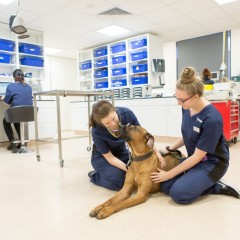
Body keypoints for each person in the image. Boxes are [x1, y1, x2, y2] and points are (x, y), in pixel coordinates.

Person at [150, 66, 240, 204]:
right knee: (166, 186)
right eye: (176, 97)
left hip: (212, 163)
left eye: (181, 100)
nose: (178, 103)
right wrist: (170, 148)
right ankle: (200, 182)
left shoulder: (212, 118)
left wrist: (168, 174)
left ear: (196, 96)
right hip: (195, 159)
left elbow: (199, 156)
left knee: (178, 194)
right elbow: (188, 134)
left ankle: (217, 185)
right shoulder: (187, 107)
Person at [88, 100, 163, 191]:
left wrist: (158, 153)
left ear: (115, 111)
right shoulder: (97, 131)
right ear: (100, 122)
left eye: (113, 119)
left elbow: (143, 136)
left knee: (134, 174)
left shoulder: (127, 114)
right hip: (102, 157)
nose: (113, 124)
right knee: (120, 181)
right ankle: (95, 175)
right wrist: (129, 169)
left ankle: (109, 172)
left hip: (121, 152)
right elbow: (110, 158)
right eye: (107, 123)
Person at [3, 69, 33, 150]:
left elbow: (6, 103)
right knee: (17, 119)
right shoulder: (29, 87)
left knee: (6, 121)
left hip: (17, 113)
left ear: (14, 77)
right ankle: (22, 142)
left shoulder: (10, 86)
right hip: (29, 114)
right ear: (23, 77)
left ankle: (12, 142)